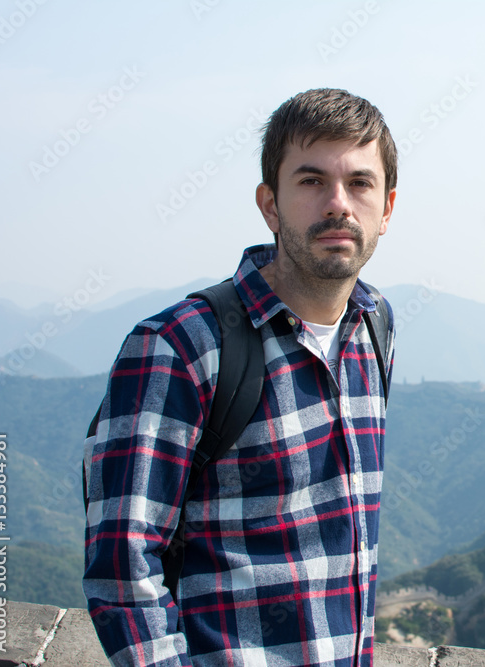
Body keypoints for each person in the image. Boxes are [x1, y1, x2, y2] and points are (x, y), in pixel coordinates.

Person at [83, 88, 396, 667]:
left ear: (387, 208)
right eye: (311, 181)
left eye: (359, 183)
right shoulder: (179, 347)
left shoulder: (374, 326)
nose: (338, 204)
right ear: (270, 204)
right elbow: (123, 574)